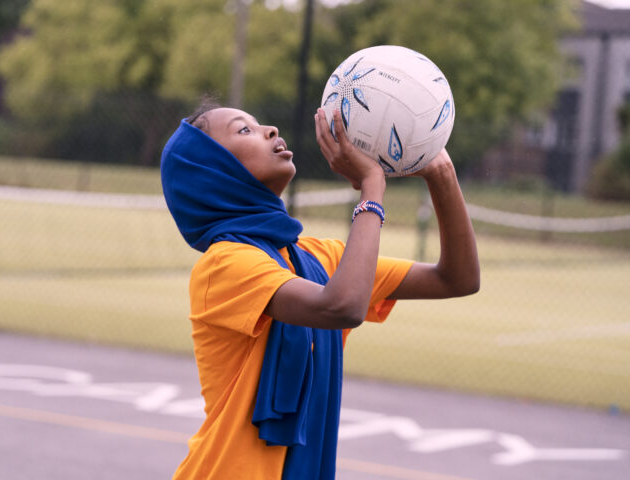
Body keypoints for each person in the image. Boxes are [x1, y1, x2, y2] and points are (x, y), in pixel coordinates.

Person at [160, 101, 480, 480]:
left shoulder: (315, 258)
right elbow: (341, 306)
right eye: (243, 130)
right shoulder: (225, 265)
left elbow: (456, 279)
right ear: (216, 172)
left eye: (259, 122)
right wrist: (372, 188)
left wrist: (440, 172)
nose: (270, 130)